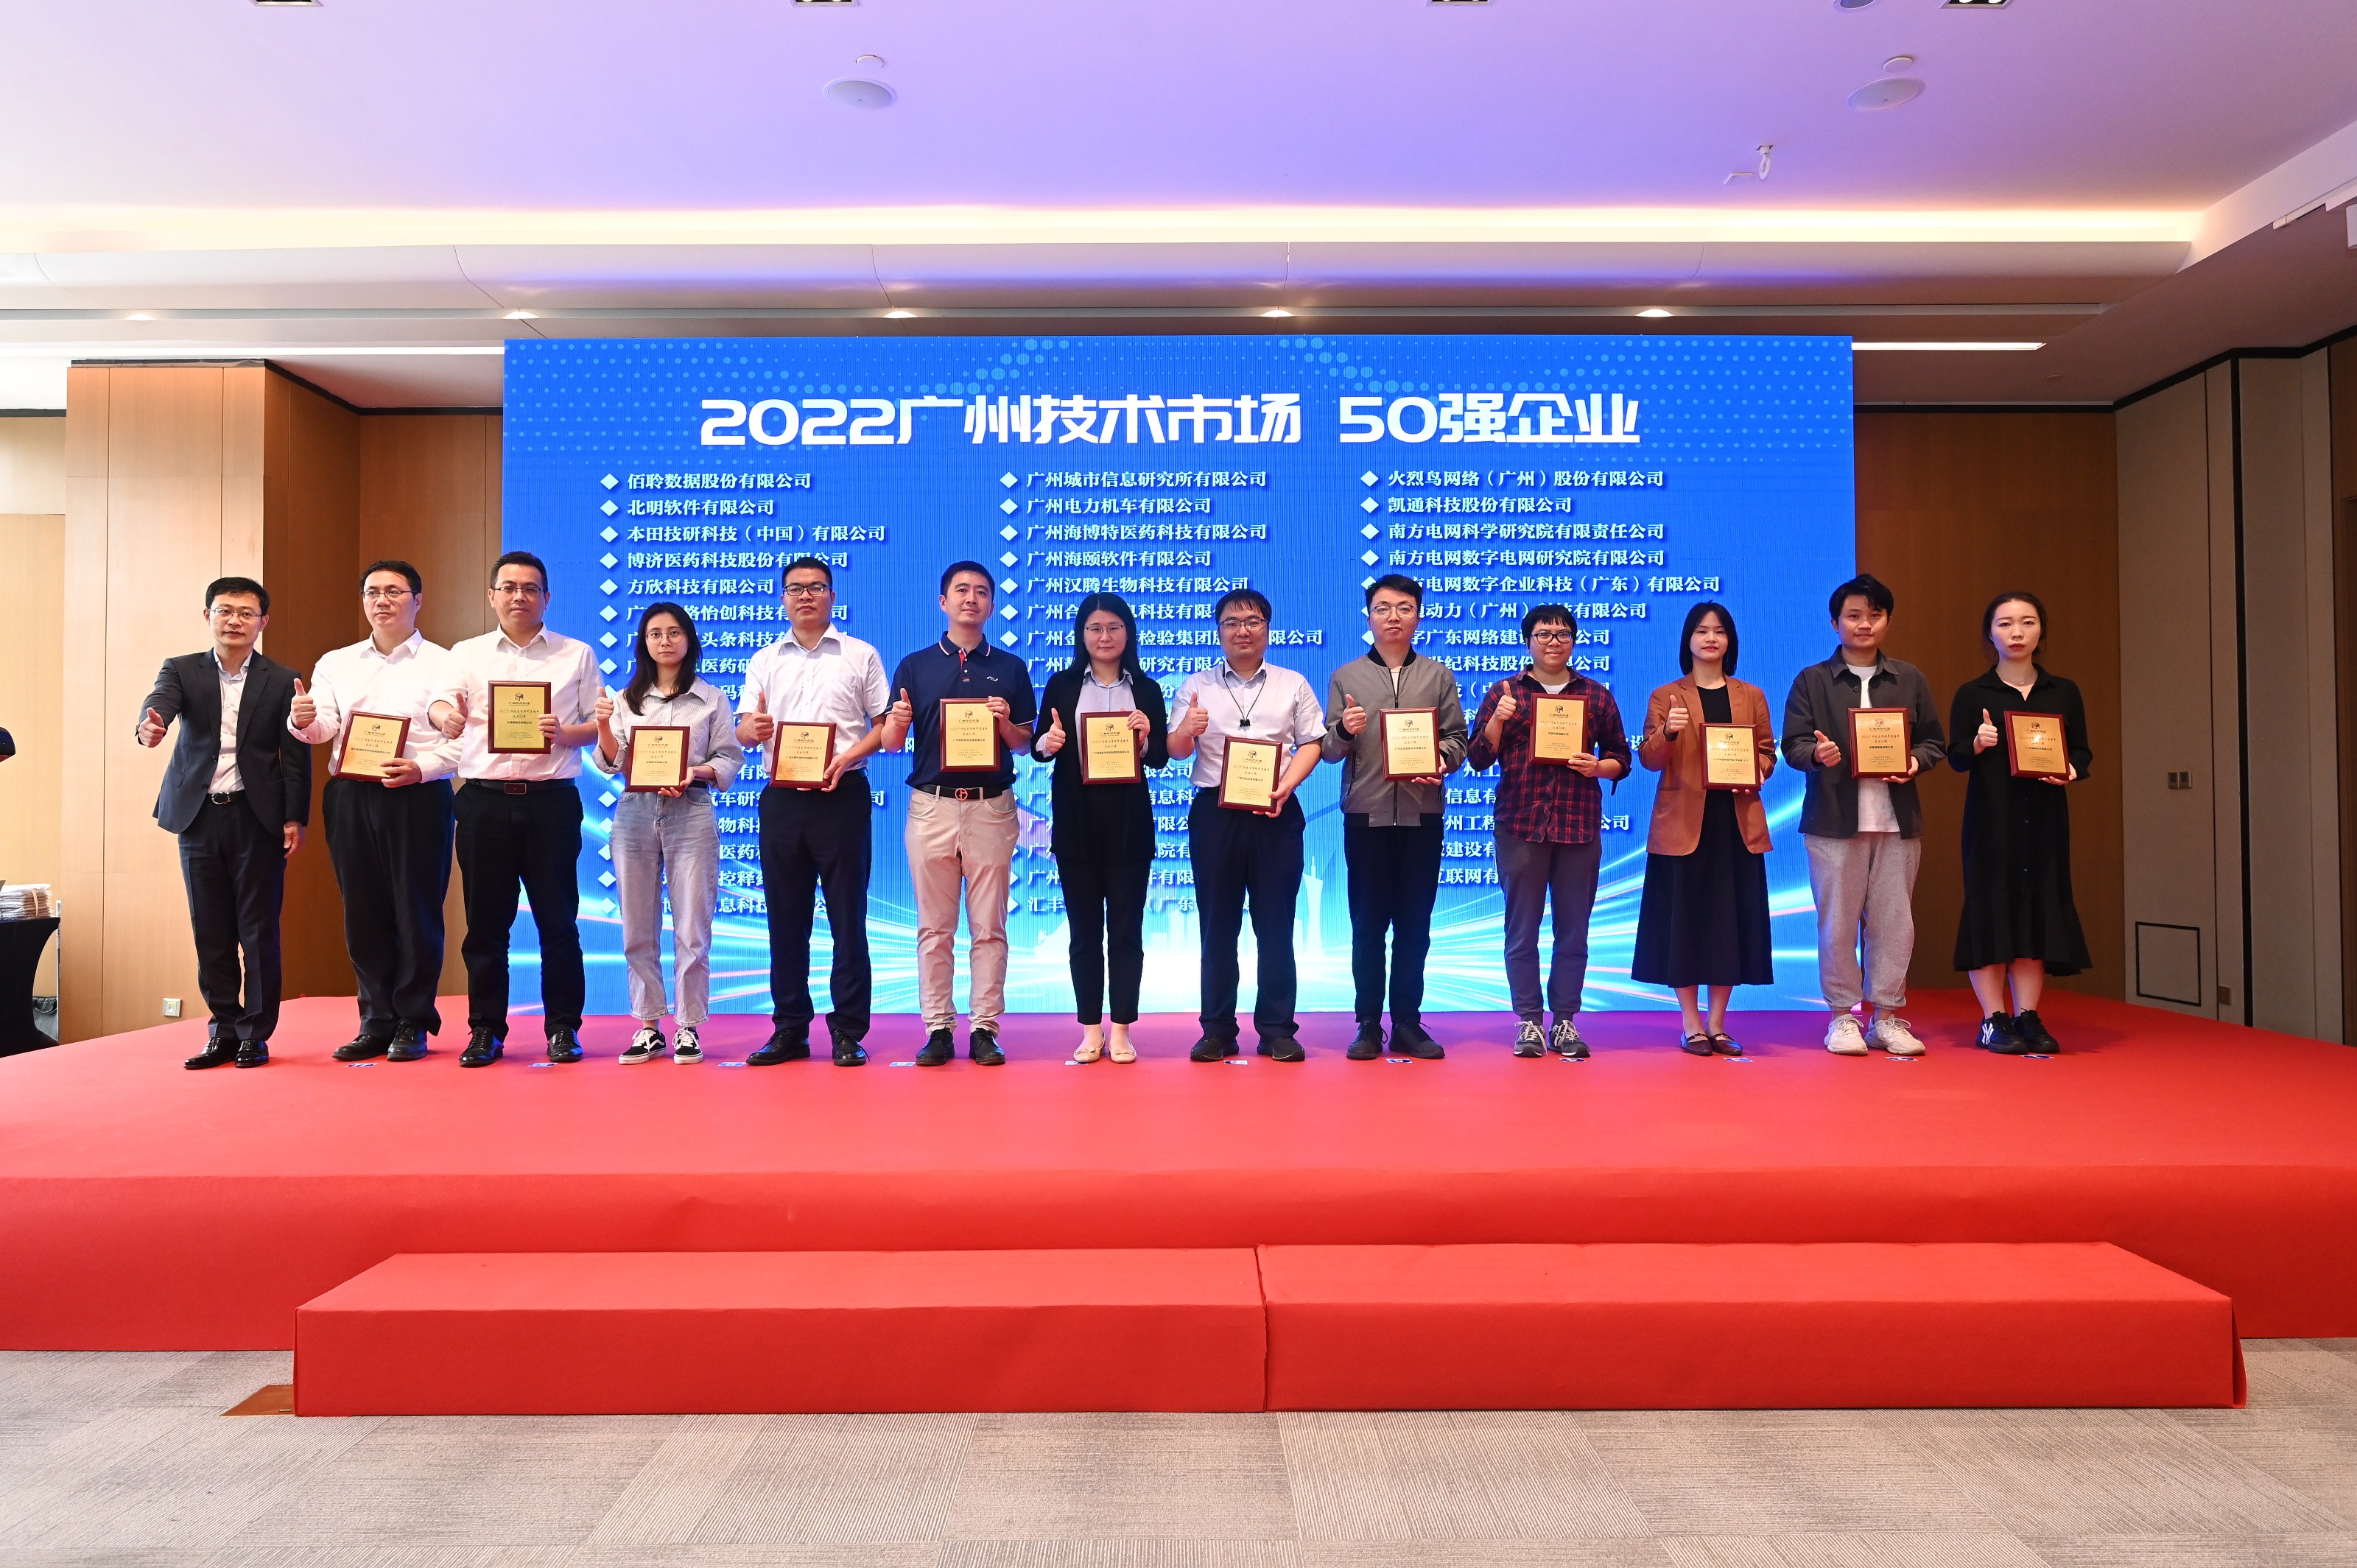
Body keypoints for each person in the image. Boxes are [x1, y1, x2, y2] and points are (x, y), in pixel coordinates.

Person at [426, 551, 603, 1066]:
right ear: (492, 596)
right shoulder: (467, 653)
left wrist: (565, 733)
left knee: (559, 922)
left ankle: (563, 1028)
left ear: (547, 597)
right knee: (486, 925)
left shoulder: (576, 654)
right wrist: (445, 719)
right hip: (483, 802)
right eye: (508, 587)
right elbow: (439, 703)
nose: (519, 596)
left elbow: (597, 726)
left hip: (552, 803)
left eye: (530, 588)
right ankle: (486, 1030)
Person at [289, 560, 460, 1064]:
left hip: (418, 793)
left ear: (418, 600)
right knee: (362, 911)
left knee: (416, 910)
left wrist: (423, 768)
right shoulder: (336, 662)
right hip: (351, 794)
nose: (382, 600)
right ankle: (375, 1019)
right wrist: (302, 721)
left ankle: (413, 1020)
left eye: (394, 591)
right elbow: (323, 727)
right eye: (372, 592)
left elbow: (464, 740)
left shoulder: (447, 663)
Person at [135, 576, 309, 1069]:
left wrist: (294, 817)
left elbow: (295, 757)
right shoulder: (181, 669)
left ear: (263, 622)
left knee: (258, 931)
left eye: (246, 613)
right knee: (210, 931)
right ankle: (223, 1031)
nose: (235, 621)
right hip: (199, 817)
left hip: (258, 817)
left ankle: (256, 1034)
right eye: (225, 611)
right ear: (208, 616)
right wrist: (150, 726)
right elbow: (159, 704)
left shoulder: (283, 679)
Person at [876, 562, 1036, 1066]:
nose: (971, 599)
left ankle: (985, 1027)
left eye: (981, 592)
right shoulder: (915, 665)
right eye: (961, 590)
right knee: (935, 927)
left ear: (991, 604)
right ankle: (938, 1028)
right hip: (932, 806)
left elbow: (1024, 743)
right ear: (943, 601)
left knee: (989, 926)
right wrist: (897, 721)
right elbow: (891, 743)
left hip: (991, 806)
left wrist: (1005, 723)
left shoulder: (1010, 667)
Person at [1780, 573, 1947, 1058]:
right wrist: (1817, 754)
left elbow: (1934, 741)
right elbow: (1793, 744)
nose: (1864, 624)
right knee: (1837, 924)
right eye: (1853, 615)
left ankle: (1887, 1017)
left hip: (1898, 821)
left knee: (1895, 924)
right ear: (1835, 622)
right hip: (1834, 821)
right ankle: (1842, 1017)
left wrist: (1914, 761)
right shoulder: (1812, 680)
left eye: (1875, 615)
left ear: (1888, 621)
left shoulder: (1909, 678)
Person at [735, 557, 891, 1067]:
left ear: (832, 596)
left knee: (848, 918)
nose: (806, 596)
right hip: (782, 798)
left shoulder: (860, 654)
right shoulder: (764, 659)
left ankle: (848, 1030)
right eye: (796, 588)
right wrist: (751, 730)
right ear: (783, 598)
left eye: (816, 587)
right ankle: (789, 1028)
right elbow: (743, 730)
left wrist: (849, 756)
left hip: (842, 795)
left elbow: (884, 726)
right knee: (786, 918)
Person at [1168, 588, 1329, 1064]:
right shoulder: (1196, 686)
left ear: (1267, 629)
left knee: (1276, 924)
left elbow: (1312, 742)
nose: (1243, 630)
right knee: (1217, 925)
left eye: (1253, 621)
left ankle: (1277, 1029)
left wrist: (1286, 786)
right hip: (1215, 814)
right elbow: (1176, 751)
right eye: (1232, 622)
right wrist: (1187, 729)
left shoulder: (1291, 683)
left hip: (1275, 812)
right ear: (1219, 631)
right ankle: (1217, 1029)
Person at [1466, 603, 1633, 1058]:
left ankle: (1564, 1021)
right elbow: (1477, 758)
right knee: (1521, 930)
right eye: (1543, 634)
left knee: (1573, 931)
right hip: (1520, 824)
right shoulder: (1505, 692)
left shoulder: (1596, 695)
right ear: (1528, 641)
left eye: (1562, 634)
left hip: (1579, 825)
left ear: (1574, 641)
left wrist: (1598, 766)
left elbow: (1622, 757)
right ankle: (1528, 1021)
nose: (1553, 642)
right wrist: (1498, 719)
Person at [1318, 574, 1466, 1060]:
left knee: (1414, 926)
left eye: (1404, 607)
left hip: (1423, 817)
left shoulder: (1439, 676)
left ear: (1418, 616)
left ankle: (1407, 1022)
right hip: (1367, 816)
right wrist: (1345, 729)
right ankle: (1367, 1023)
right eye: (1383, 608)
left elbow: (1457, 739)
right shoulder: (1347, 676)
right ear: (1369, 617)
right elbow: (1330, 750)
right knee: (1367, 926)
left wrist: (1442, 758)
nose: (1394, 617)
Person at [590, 602, 743, 1066]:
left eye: (674, 632)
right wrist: (603, 723)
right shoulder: (625, 699)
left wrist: (694, 771)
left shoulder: (711, 698)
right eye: (655, 633)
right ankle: (648, 1026)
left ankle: (688, 1027)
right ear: (644, 643)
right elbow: (611, 762)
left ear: (689, 640)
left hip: (690, 810)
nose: (665, 641)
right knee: (637, 926)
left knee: (693, 927)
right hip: (635, 813)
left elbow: (729, 758)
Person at [1949, 591, 2093, 1055]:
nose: (2017, 632)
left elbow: (2082, 751)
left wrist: (2071, 769)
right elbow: (1955, 757)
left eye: (2027, 622)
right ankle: (1994, 1018)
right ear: (1990, 633)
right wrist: (1977, 743)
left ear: (2041, 631)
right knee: (1991, 910)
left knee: (2038, 909)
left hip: (2046, 820)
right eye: (2005, 623)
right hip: (1991, 822)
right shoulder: (1973, 694)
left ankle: (2027, 1014)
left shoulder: (2063, 691)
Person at [1631, 602, 1778, 1056]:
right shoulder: (1666, 695)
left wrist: (1756, 767)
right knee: (1685, 921)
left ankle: (1718, 1023)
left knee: (1727, 923)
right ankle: (1691, 1023)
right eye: (1701, 630)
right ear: (1688, 640)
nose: (1710, 638)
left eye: (1719, 631)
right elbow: (1649, 758)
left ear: (1730, 640)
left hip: (1735, 822)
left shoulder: (1751, 695)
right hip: (1683, 824)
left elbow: (1767, 753)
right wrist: (1669, 733)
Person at [1032, 594, 1168, 1064]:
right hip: (1077, 824)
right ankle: (1091, 1028)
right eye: (1095, 628)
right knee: (1084, 933)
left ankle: (1123, 1028)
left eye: (1113, 627)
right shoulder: (1062, 684)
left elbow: (1160, 757)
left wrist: (1145, 737)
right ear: (1082, 635)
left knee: (1127, 932)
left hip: (1130, 827)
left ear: (1127, 632)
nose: (1104, 636)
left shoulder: (1146, 689)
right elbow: (1039, 746)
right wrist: (1048, 743)